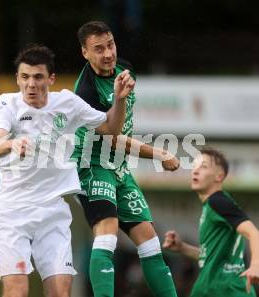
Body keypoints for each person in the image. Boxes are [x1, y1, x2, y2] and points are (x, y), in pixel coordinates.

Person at [0, 44, 136, 297]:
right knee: (17, 291)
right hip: (12, 213)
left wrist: (119, 99)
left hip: (52, 212)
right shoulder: (7, 104)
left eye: (38, 77)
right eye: (24, 77)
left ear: (51, 79)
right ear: (17, 79)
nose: (31, 84)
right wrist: (12, 143)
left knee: (60, 292)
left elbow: (111, 128)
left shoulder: (68, 103)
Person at [71, 20, 179, 297]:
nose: (108, 53)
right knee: (107, 233)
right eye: (98, 49)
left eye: (110, 45)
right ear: (85, 53)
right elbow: (112, 134)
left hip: (117, 167)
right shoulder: (85, 92)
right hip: (92, 166)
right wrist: (159, 153)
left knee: (150, 243)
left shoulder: (124, 69)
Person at [163, 147, 259, 297]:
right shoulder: (213, 205)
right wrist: (182, 247)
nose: (195, 171)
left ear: (219, 176)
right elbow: (211, 256)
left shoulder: (218, 201)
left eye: (203, 167)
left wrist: (255, 266)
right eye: (194, 167)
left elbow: (254, 233)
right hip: (213, 287)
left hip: (224, 289)